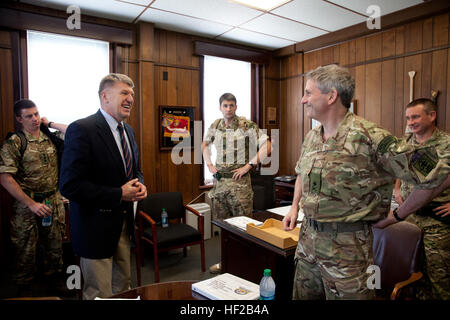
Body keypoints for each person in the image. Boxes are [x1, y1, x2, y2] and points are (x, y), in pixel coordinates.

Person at [282, 64, 449, 300]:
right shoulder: (312, 136)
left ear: (331, 96)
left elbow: (438, 172)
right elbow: (302, 171)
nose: (302, 100)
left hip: (347, 253)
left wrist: (398, 215)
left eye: (309, 93)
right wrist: (294, 205)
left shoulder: (370, 136)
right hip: (308, 244)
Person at [59, 73, 147, 300]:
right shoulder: (82, 129)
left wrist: (140, 186)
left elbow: (134, 170)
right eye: (124, 93)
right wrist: (119, 194)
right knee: (99, 293)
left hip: (124, 226)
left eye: (132, 94)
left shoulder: (129, 131)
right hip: (94, 230)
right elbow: (70, 186)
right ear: (105, 96)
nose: (130, 99)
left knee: (123, 288)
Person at [0, 99, 69, 297]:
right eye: (29, 116)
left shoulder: (50, 137)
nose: (35, 119)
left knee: (55, 245)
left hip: (52, 201)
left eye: (37, 114)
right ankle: (25, 287)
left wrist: (50, 124)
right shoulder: (15, 142)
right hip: (26, 204)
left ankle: (54, 281)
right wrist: (31, 204)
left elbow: (73, 132)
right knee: (25, 248)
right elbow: (5, 178)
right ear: (19, 119)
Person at [202, 92, 271, 273]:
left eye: (232, 105)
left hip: (239, 185)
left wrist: (248, 166)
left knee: (243, 225)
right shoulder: (215, 125)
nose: (228, 109)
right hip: (220, 184)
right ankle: (226, 263)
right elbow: (204, 145)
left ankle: (246, 264)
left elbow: (267, 146)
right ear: (220, 107)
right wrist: (209, 163)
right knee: (224, 227)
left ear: (236, 107)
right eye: (225, 105)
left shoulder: (246, 125)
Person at [388, 98, 450, 300]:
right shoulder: (406, 142)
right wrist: (397, 187)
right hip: (408, 216)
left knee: (438, 274)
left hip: (436, 220)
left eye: (415, 116)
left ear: (432, 116)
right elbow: (399, 167)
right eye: (407, 118)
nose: (410, 122)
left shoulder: (446, 144)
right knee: (410, 270)